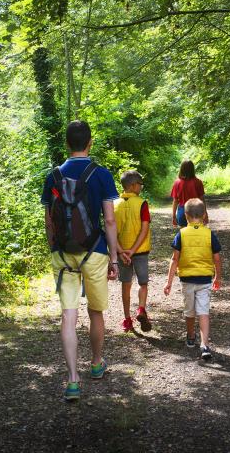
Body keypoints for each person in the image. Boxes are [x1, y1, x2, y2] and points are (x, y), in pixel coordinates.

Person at [42, 120, 120, 401]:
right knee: (95, 312)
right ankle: (96, 363)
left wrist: (55, 249)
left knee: (68, 315)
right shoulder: (101, 174)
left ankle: (73, 380)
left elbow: (49, 221)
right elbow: (109, 219)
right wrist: (113, 257)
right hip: (94, 251)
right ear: (90, 142)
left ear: (66, 144)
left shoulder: (53, 176)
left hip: (62, 254)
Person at [163, 198, 222, 360]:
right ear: (204, 215)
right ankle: (205, 344)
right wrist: (218, 277)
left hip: (187, 280)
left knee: (189, 311)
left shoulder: (181, 234)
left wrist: (168, 282)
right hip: (205, 279)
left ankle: (190, 337)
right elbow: (217, 258)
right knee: (203, 312)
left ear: (186, 216)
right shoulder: (210, 234)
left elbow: (175, 259)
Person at [114, 170, 153, 333]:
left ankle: (127, 319)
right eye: (140, 184)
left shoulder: (114, 204)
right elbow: (144, 229)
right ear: (133, 185)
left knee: (126, 284)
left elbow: (111, 230)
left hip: (121, 252)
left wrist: (122, 251)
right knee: (143, 283)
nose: (141, 188)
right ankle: (141, 309)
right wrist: (133, 250)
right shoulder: (142, 203)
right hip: (140, 251)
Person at [170, 160, 208, 227]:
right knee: (196, 233)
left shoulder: (177, 183)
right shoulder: (198, 182)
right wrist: (205, 213)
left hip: (182, 211)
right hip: (197, 211)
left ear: (181, 169)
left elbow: (175, 201)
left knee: (184, 235)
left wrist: (173, 216)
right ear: (192, 169)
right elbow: (202, 200)